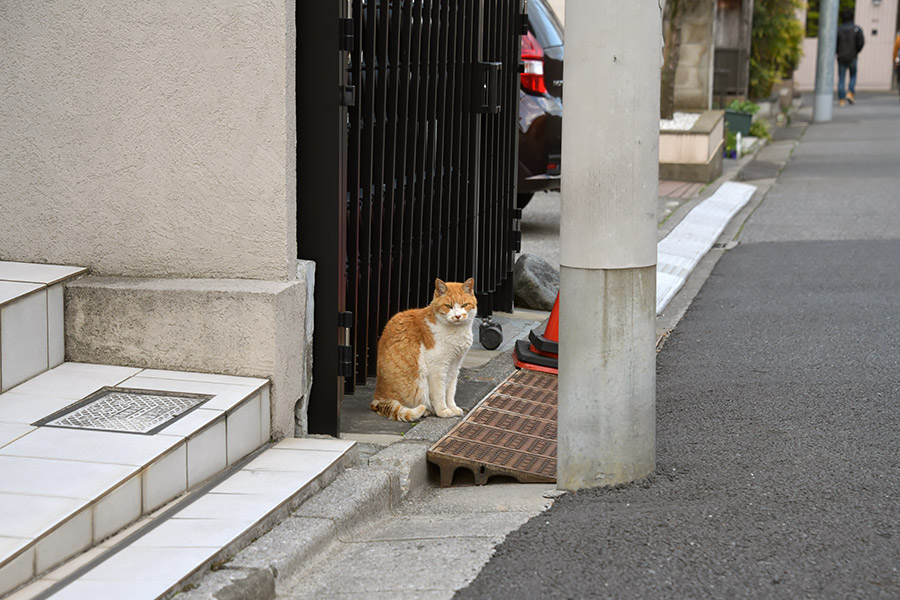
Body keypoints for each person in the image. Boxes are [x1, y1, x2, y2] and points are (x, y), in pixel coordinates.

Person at [835, 8, 865, 107]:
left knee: (841, 78)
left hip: (841, 56)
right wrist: (856, 51)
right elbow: (861, 43)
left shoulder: (838, 30)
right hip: (853, 56)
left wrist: (837, 52)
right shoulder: (857, 29)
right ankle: (850, 93)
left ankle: (841, 100)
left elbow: (834, 44)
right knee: (853, 76)